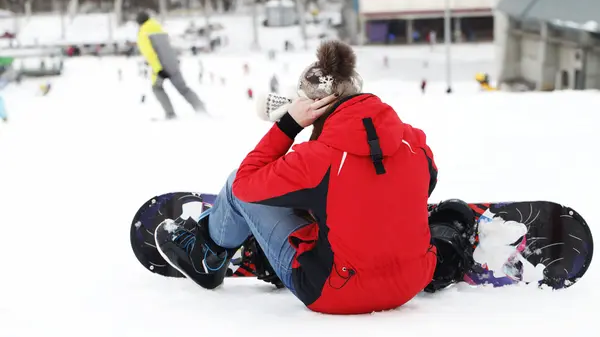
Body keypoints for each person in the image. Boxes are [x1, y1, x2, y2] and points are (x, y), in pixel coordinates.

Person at [155, 40, 476, 315]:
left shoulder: (316, 160)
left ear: (312, 105)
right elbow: (424, 184)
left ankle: (207, 256)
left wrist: (288, 126)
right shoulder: (414, 141)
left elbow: (246, 185)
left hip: (337, 292)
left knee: (236, 183)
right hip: (410, 283)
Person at [136, 11, 206, 120]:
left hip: (161, 65)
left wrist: (158, 69)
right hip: (173, 63)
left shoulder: (143, 33)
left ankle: (170, 114)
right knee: (184, 89)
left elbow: (149, 53)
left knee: (156, 88)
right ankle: (202, 110)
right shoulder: (159, 28)